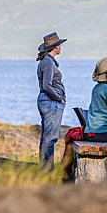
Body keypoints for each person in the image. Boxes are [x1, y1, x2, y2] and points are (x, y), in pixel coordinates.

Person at [36, 32, 67, 171]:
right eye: (59, 44)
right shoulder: (48, 62)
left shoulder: (47, 61)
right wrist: (58, 98)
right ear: (55, 47)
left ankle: (45, 169)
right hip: (50, 102)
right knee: (50, 138)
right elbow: (47, 85)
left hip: (48, 102)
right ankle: (47, 171)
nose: (61, 46)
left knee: (47, 137)